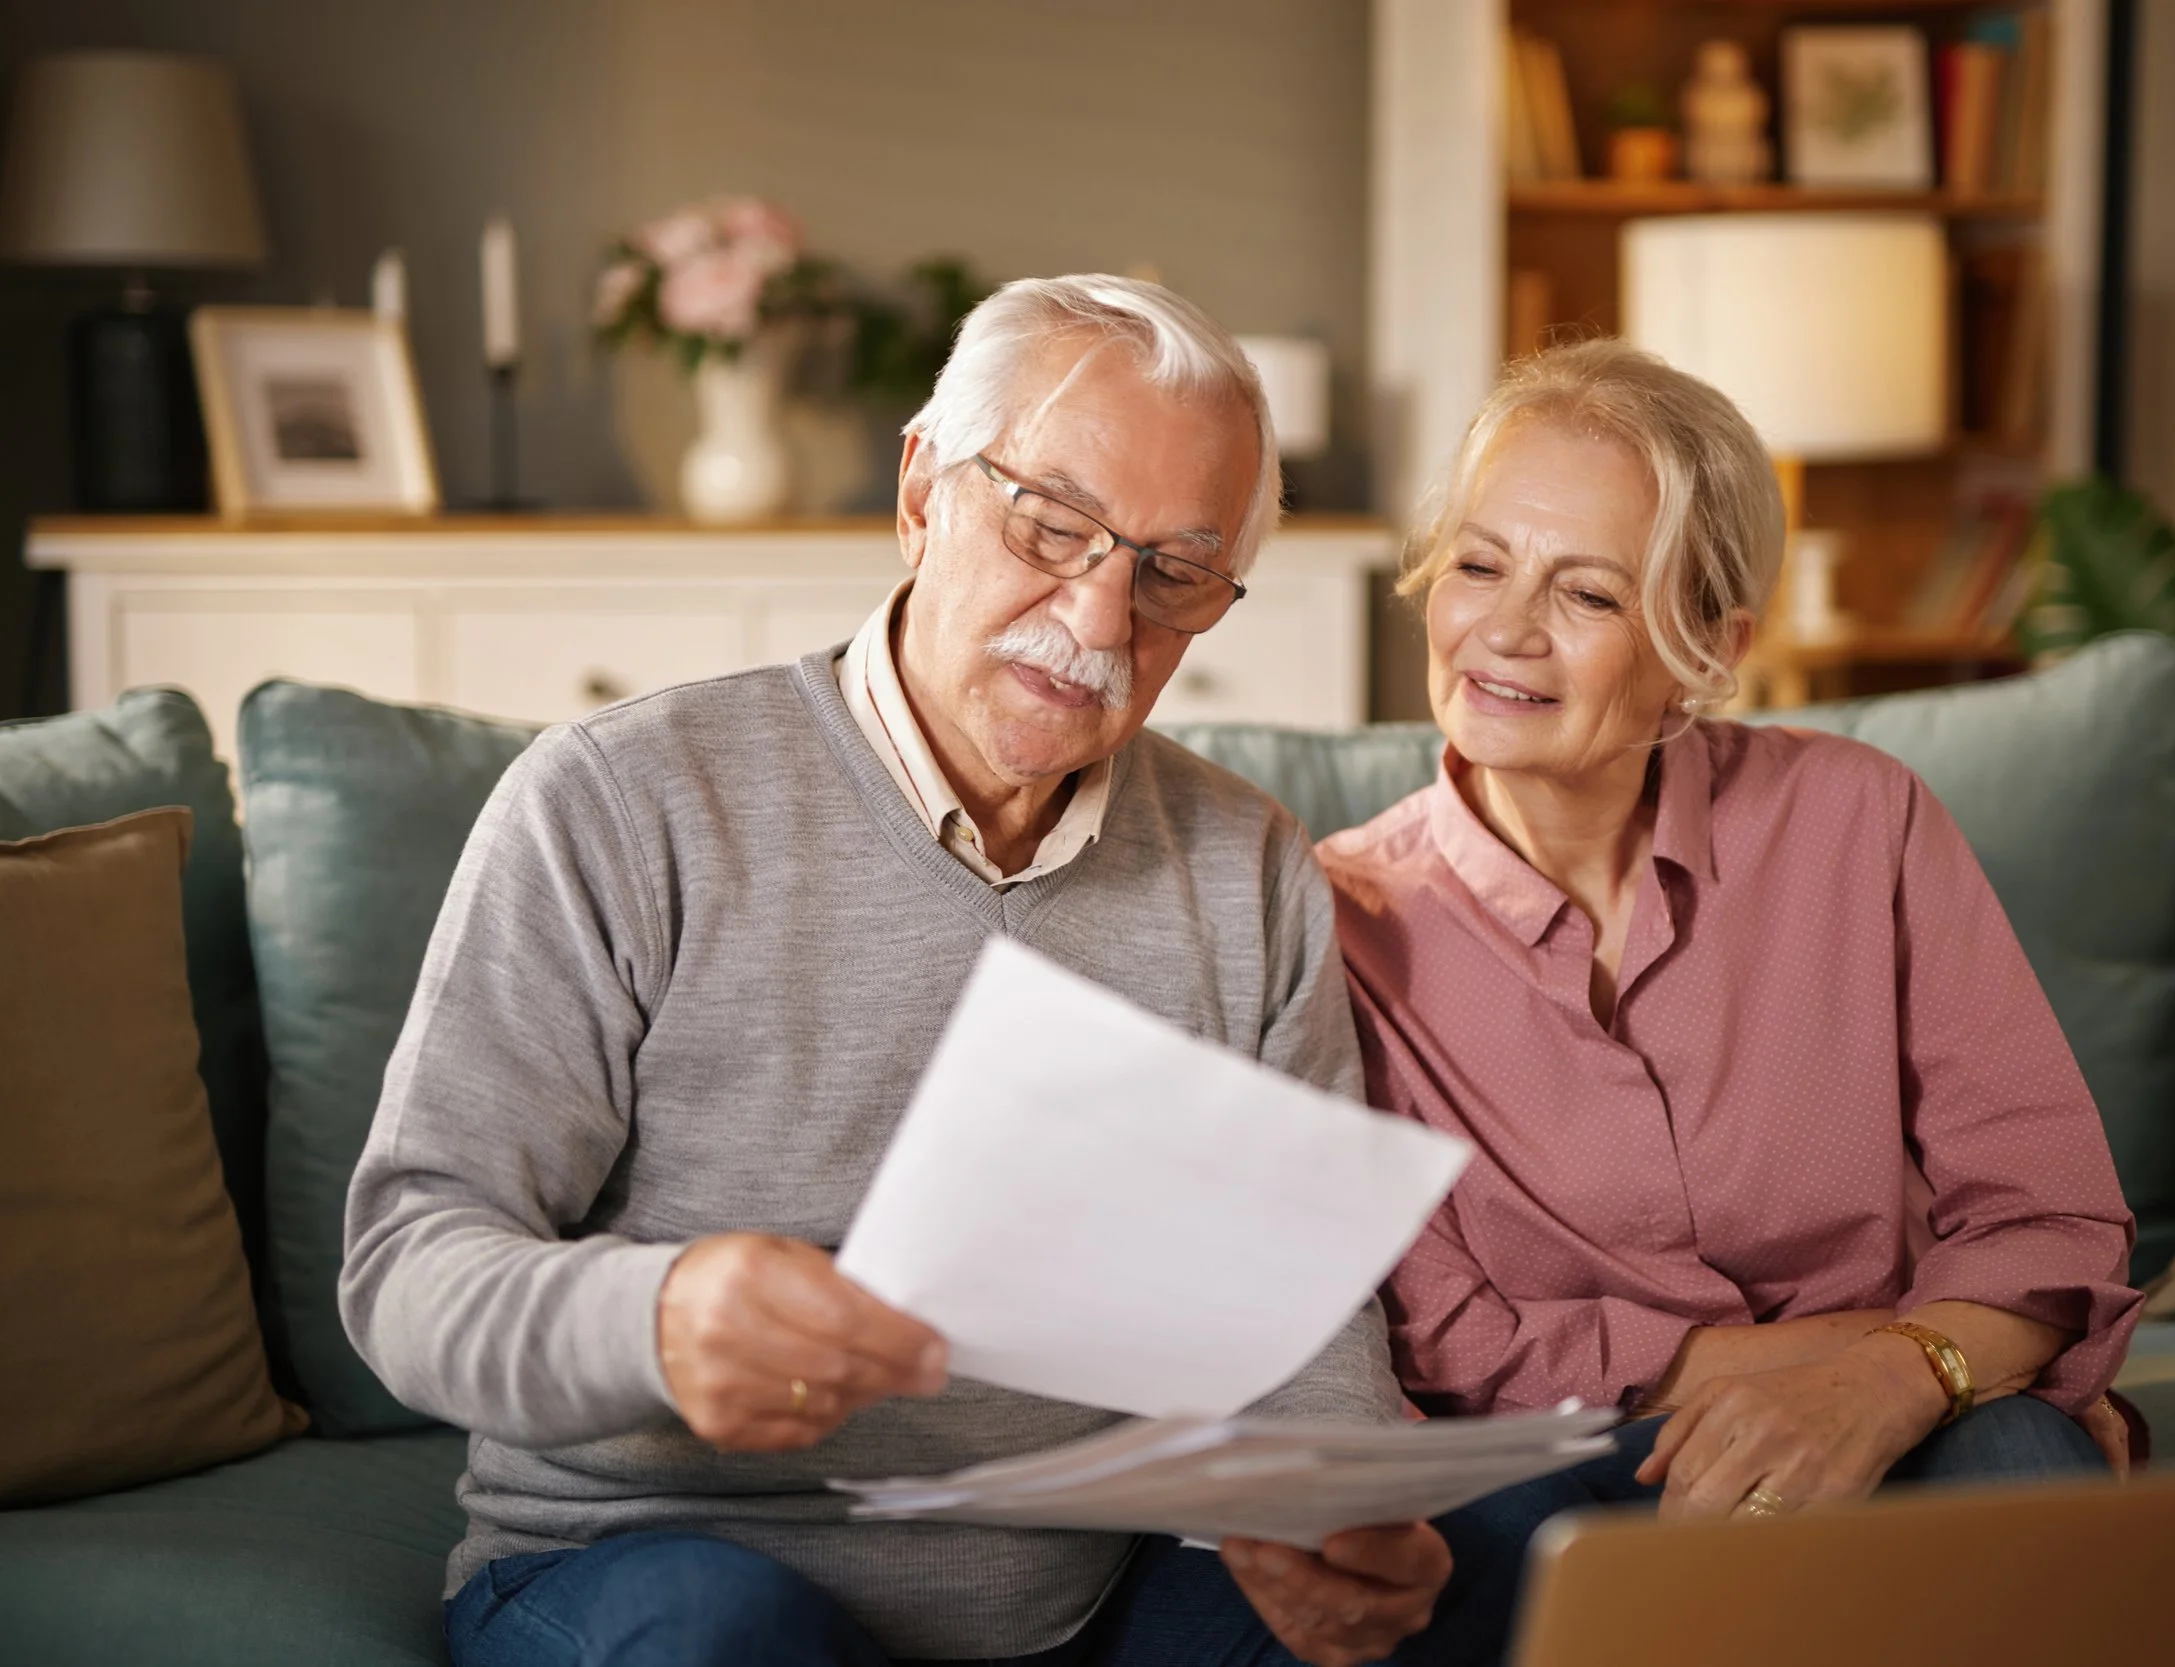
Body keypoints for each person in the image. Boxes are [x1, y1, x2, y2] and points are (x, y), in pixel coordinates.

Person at [341, 276, 1482, 1667]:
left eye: (1173, 572)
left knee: (1457, 1596)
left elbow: (1297, 1304)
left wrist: (1332, 1513)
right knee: (721, 1634)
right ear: (921, 490)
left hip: (1075, 1590)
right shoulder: (620, 799)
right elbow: (406, 1264)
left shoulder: (1245, 866)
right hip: (653, 1566)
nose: (1101, 615)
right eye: (1053, 525)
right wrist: (652, 1313)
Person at [1317, 340, 2143, 1572]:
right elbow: (1451, 1345)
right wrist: (1895, 1353)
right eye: (1477, 564)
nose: (1504, 628)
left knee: (2016, 1463)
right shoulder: (1338, 922)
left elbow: (2050, 1218)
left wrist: (1891, 1389)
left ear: (1707, 649)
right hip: (1557, 1465)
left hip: (1912, 1430)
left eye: (1587, 594)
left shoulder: (1860, 820)